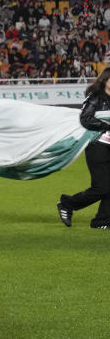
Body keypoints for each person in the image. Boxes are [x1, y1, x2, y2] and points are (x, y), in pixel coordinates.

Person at [58, 67, 110, 229]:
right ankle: (68, 203)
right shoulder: (95, 97)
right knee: (101, 187)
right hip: (98, 146)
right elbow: (85, 118)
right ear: (105, 80)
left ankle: (102, 221)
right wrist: (105, 125)